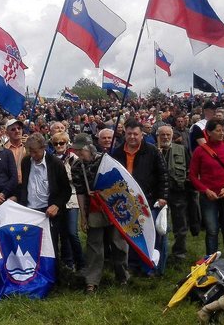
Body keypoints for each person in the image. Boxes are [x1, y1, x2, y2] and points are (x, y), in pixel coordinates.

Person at [71, 133, 129, 294]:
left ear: (89, 148)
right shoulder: (77, 166)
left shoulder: (107, 161)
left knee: (118, 244)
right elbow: (81, 193)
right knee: (94, 245)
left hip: (113, 206)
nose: (78, 154)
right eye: (76, 151)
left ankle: (122, 276)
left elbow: (120, 184)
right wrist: (83, 217)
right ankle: (92, 281)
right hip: (93, 209)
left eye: (80, 150)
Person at [111, 120, 169, 275]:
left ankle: (152, 267)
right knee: (131, 235)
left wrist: (163, 196)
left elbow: (163, 174)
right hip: (125, 201)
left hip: (147, 199)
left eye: (135, 134)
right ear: (125, 134)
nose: (132, 137)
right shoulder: (116, 152)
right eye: (129, 134)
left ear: (142, 135)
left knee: (151, 235)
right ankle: (133, 265)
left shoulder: (152, 151)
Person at [19, 133, 70, 274]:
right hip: (30, 210)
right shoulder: (26, 162)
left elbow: (65, 190)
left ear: (43, 148)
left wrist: (57, 205)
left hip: (48, 212)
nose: (33, 155)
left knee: (50, 246)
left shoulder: (55, 164)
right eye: (30, 151)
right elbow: (24, 184)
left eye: (35, 151)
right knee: (31, 245)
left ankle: (52, 276)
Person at [189, 119, 224, 263]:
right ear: (209, 132)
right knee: (212, 230)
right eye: (218, 130)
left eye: (223, 130)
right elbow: (192, 175)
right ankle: (211, 259)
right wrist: (205, 190)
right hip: (208, 196)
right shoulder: (200, 151)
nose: (221, 133)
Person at [51, 131, 84, 271]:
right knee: (62, 233)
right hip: (57, 199)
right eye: (56, 143)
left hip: (72, 198)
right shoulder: (50, 158)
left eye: (62, 143)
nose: (59, 146)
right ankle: (67, 262)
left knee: (72, 232)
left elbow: (77, 178)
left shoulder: (73, 158)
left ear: (67, 143)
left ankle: (81, 262)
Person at [157, 125, 190, 260]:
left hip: (177, 192)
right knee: (158, 224)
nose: (165, 137)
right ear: (157, 136)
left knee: (180, 224)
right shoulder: (152, 150)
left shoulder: (182, 149)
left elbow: (189, 169)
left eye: (168, 135)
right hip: (158, 193)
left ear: (172, 136)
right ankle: (158, 253)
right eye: (162, 135)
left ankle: (179, 253)